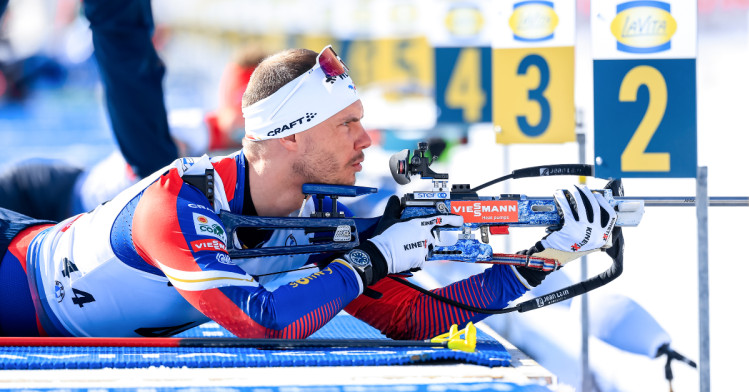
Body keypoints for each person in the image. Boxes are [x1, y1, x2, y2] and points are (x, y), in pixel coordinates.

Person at [0, 46, 618, 339]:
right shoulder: (179, 203)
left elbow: (410, 317)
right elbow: (262, 322)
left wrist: (545, 257)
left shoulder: (320, 218)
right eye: (347, 125)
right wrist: (373, 258)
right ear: (290, 137)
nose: (367, 140)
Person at [0, 45, 265, 221]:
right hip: (49, 197)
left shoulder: (234, 149)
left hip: (72, 207)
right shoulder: (186, 132)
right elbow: (172, 190)